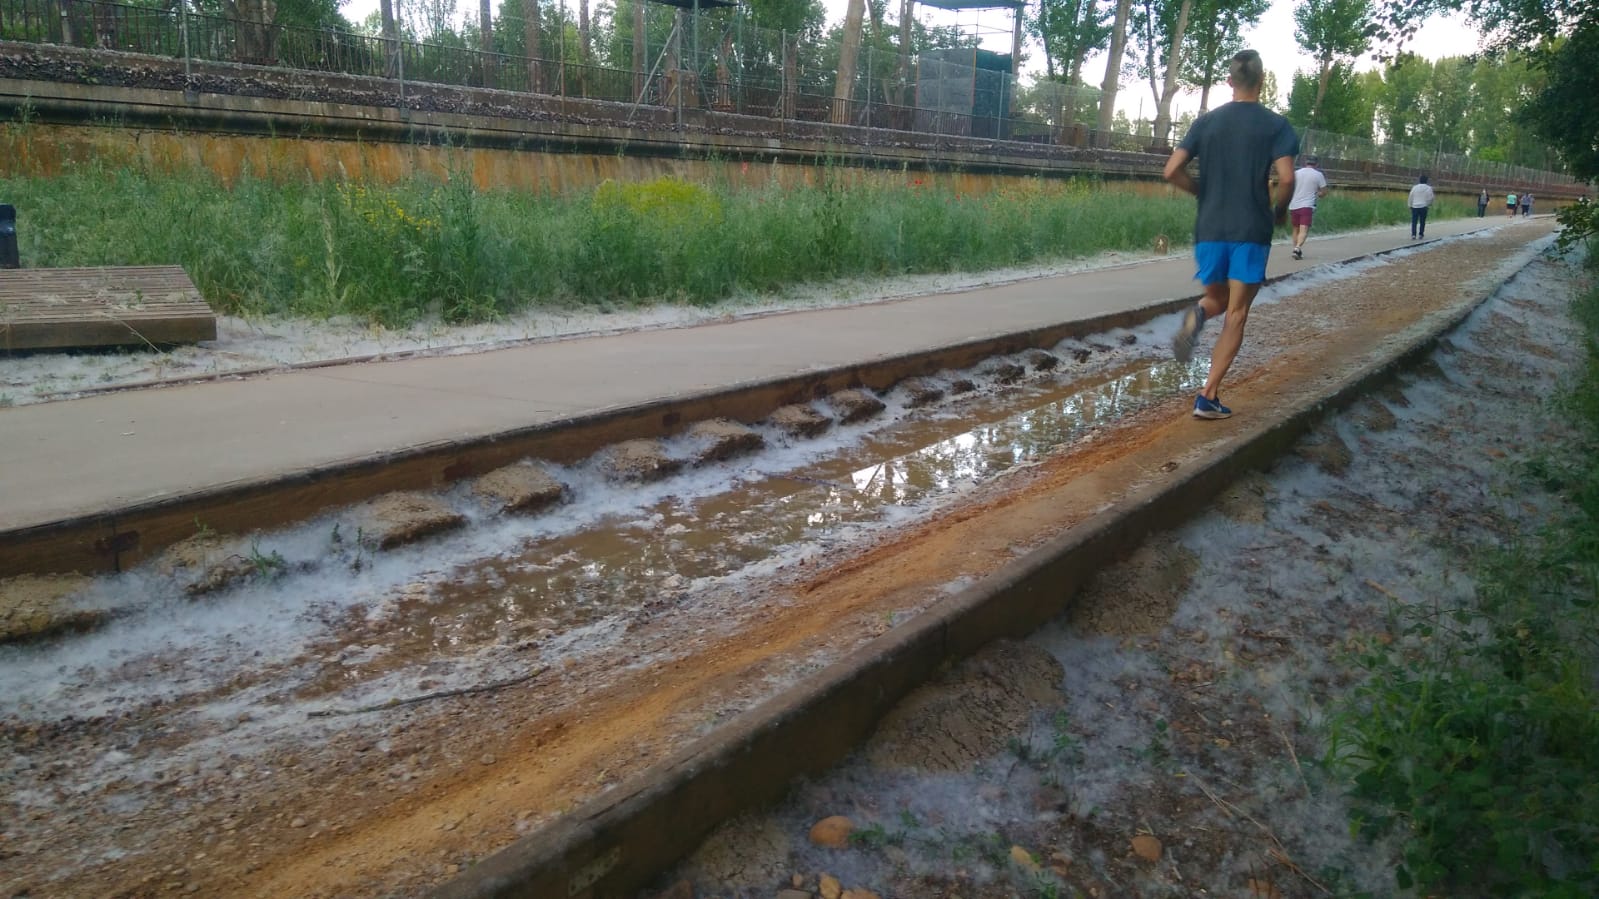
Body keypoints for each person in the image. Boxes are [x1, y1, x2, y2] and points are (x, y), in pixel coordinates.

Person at [1165, 49, 1298, 421]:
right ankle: (1208, 396)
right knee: (1236, 312)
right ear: (1262, 81)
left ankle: (1197, 313)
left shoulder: (1207, 122)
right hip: (1250, 228)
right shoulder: (1276, 125)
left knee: (1216, 298)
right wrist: (1280, 210)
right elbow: (1287, 178)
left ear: (1230, 82)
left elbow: (1172, 169)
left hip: (1209, 227)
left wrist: (1200, 192)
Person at [1288, 155, 1328, 260]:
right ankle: (1297, 248)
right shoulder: (1318, 175)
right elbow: (1324, 192)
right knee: (1304, 229)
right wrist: (1319, 194)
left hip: (1293, 205)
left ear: (1305, 163)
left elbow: (1290, 186)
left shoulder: (1296, 173)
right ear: (1316, 164)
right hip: (1307, 205)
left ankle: (1296, 249)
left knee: (1295, 229)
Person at [1409, 174, 1435, 240]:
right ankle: (1421, 234)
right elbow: (1431, 198)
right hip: (1423, 206)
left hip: (1415, 206)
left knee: (1414, 221)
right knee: (1422, 221)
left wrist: (1410, 205)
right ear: (1426, 181)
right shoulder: (1429, 188)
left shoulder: (1414, 187)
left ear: (1419, 180)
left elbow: (1411, 196)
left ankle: (1413, 235)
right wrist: (1429, 204)